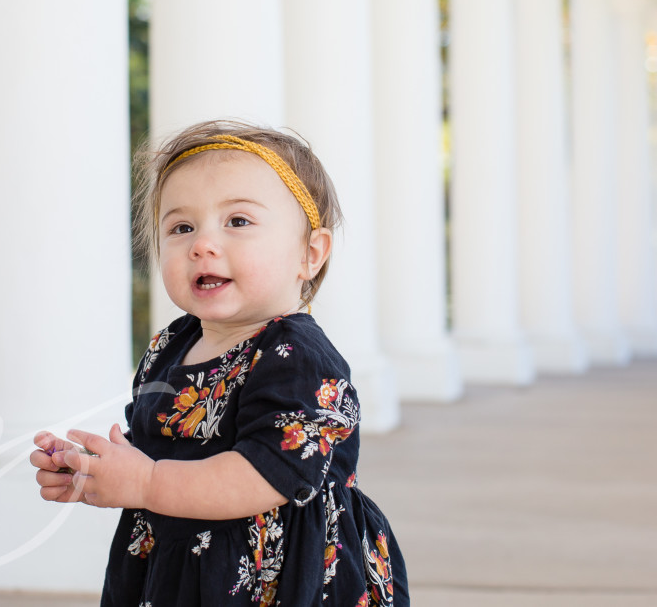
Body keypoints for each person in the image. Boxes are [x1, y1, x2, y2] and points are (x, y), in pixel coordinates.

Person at [29, 120, 408, 606]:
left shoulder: (298, 359)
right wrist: (95, 472)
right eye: (181, 227)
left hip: (280, 575)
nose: (202, 244)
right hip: (181, 565)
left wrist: (146, 483)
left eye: (238, 222)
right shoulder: (172, 343)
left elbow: (267, 474)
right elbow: (154, 446)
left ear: (310, 254)